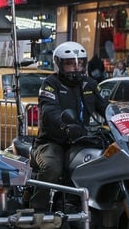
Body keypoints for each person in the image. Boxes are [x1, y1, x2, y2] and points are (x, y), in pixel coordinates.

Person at [28, 41, 108, 212]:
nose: (76, 68)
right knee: (52, 168)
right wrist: (66, 125)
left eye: (80, 63)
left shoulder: (89, 84)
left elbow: (105, 107)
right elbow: (49, 110)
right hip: (52, 141)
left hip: (82, 140)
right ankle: (37, 212)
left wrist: (127, 121)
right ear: (59, 64)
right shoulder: (50, 83)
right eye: (70, 63)